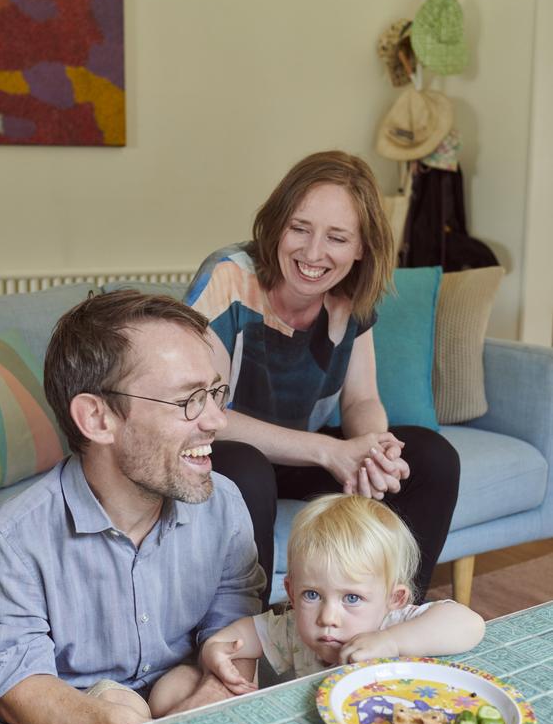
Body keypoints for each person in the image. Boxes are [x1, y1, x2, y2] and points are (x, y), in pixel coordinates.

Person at [0, 290, 265, 724]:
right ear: (98, 419)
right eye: (188, 400)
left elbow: (234, 612)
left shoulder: (222, 502)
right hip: (76, 718)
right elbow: (17, 682)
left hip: (180, 690)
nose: (216, 420)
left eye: (214, 393)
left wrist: (221, 680)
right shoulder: (17, 538)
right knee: (109, 704)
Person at [185, 149, 460, 604]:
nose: (313, 254)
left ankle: (391, 620)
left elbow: (360, 402)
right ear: (277, 225)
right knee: (248, 472)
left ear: (360, 248)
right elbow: (203, 414)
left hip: (302, 455)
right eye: (300, 229)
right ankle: (242, 643)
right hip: (223, 453)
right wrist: (332, 452)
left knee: (431, 458)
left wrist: (374, 448)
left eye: (336, 237)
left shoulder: (351, 294)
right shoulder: (230, 275)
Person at [201, 494, 485, 689]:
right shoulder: (294, 631)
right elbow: (239, 636)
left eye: (352, 598)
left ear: (393, 600)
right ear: (291, 591)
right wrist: (214, 650)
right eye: (312, 595)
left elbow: (470, 625)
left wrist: (392, 643)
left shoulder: (394, 623)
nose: (328, 617)